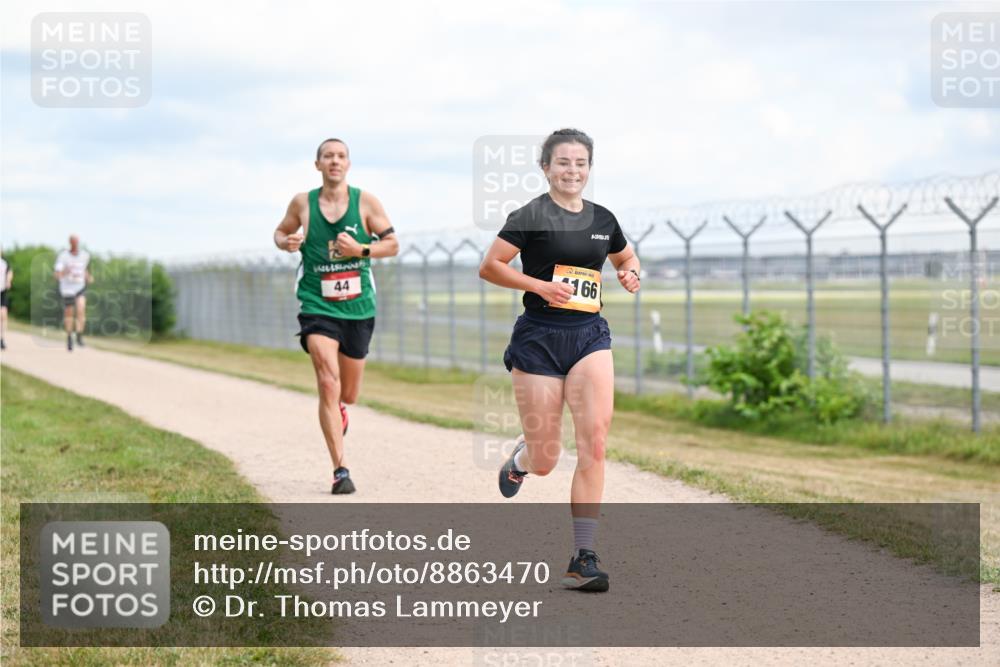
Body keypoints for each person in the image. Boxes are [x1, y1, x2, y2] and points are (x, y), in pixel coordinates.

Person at [479, 129, 640, 592]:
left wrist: (630, 275)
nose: (573, 171)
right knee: (547, 457)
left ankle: (583, 556)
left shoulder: (603, 218)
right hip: (539, 340)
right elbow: (491, 266)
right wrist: (539, 286)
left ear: (590, 168)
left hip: (589, 336)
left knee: (594, 441)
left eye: (581, 163)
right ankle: (522, 460)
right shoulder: (530, 215)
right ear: (546, 167)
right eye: (563, 163)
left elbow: (626, 258)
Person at [274, 138, 399, 494]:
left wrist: (360, 249)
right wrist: (287, 242)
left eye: (340, 156)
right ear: (318, 165)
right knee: (327, 382)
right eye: (327, 156)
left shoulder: (366, 202)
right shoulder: (303, 203)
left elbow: (392, 244)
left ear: (348, 164)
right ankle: (340, 470)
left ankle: (342, 408)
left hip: (359, 308)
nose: (334, 161)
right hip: (317, 304)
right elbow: (279, 232)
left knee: (349, 392)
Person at [54, 235, 93, 351]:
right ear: (70, 243)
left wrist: (88, 277)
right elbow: (57, 274)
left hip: (80, 286)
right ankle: (69, 336)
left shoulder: (85, 255)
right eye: (73, 242)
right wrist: (66, 272)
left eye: (77, 242)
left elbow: (83, 269)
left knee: (81, 308)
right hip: (67, 288)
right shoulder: (63, 256)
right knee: (69, 313)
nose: (76, 244)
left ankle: (79, 335)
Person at [0, 246, 11, 350]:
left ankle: (2, 339)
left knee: (3, 315)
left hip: (2, 291)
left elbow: (9, 272)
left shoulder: (4, 263)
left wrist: (8, 280)